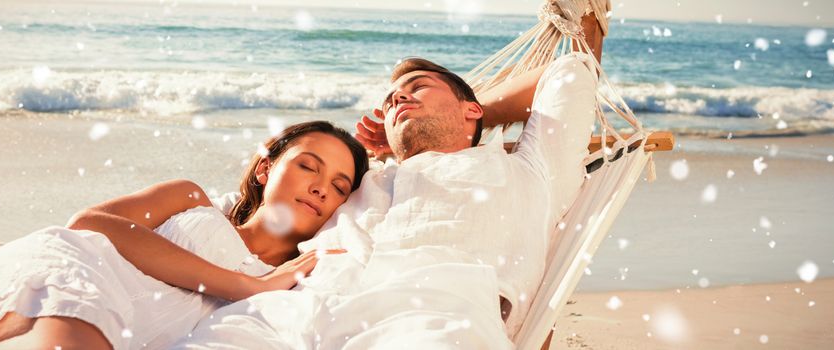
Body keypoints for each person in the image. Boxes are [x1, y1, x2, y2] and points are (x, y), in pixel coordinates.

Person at [174, 9, 608, 350]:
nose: (398, 96)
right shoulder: (364, 181)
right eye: (392, 99)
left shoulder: (529, 169)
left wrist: (469, 111)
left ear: (471, 109)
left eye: (418, 87)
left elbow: (570, 71)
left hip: (426, 310)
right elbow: (268, 205)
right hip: (293, 309)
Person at [0, 121, 370, 350]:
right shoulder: (191, 199)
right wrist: (245, 285)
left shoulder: (297, 275)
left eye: (339, 186)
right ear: (266, 169)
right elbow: (90, 224)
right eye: (308, 165)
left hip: (125, 332)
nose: (319, 187)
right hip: (78, 273)